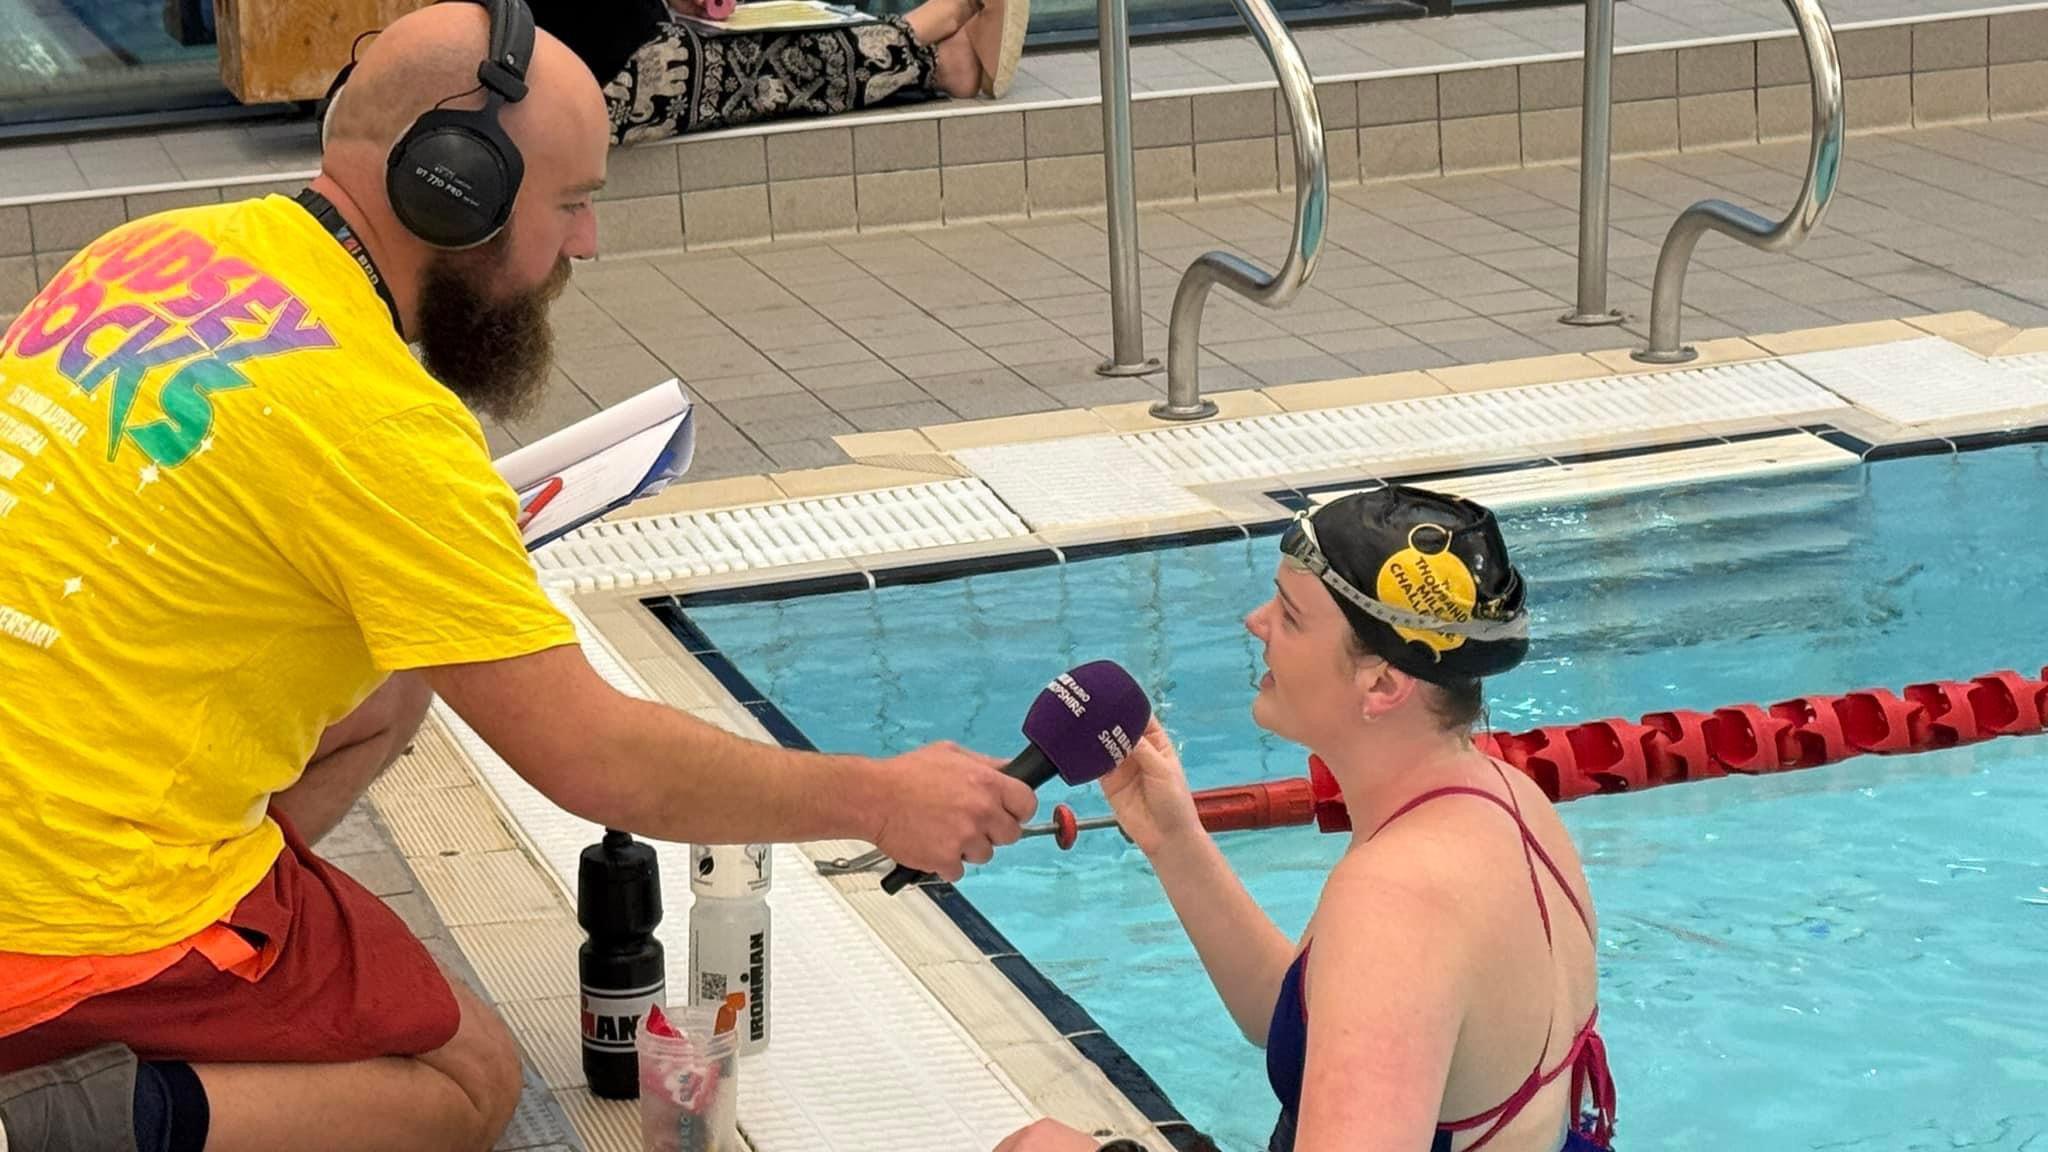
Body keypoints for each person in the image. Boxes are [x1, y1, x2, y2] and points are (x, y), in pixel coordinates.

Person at [0, 2, 1031, 1150]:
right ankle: (68, 1115)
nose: (583, 246)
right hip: (53, 918)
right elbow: (592, 758)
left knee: (396, 685)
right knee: (464, 1085)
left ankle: (206, 976)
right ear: (456, 189)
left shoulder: (149, 249)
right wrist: (877, 798)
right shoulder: (380, 427)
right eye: (574, 203)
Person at [995, 486, 1618, 1152]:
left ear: (1382, 684)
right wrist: (1172, 839)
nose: (1256, 623)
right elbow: (1302, 1017)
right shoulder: (1503, 798)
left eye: (1290, 617)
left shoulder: (1396, 901)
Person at [528, 0, 1028, 143]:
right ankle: (936, 47)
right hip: (574, 87)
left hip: (584, 64)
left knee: (739, 53)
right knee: (748, 67)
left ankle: (929, 53)